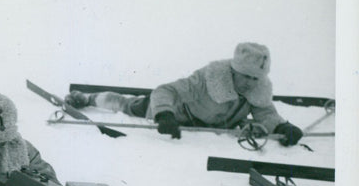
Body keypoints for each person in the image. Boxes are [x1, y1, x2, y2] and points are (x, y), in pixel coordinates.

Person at [64, 42, 304, 146]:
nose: (250, 83)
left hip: (206, 125)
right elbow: (164, 91)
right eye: (246, 76)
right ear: (234, 70)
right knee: (126, 105)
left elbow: (265, 113)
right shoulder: (207, 79)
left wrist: (282, 127)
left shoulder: (258, 88)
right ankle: (88, 98)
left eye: (256, 78)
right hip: (173, 114)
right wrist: (164, 115)